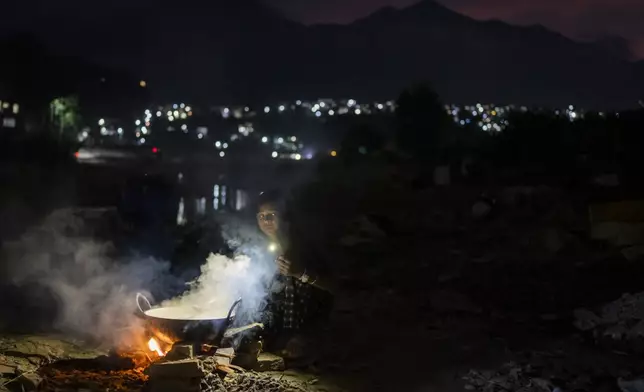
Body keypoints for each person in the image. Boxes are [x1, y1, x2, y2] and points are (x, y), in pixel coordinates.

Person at [256, 190, 333, 357]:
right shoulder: (260, 250)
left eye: (271, 215)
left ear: (284, 216)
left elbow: (335, 286)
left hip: (310, 333)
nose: (266, 221)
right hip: (278, 336)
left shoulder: (306, 247)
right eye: (261, 216)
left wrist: (301, 273)